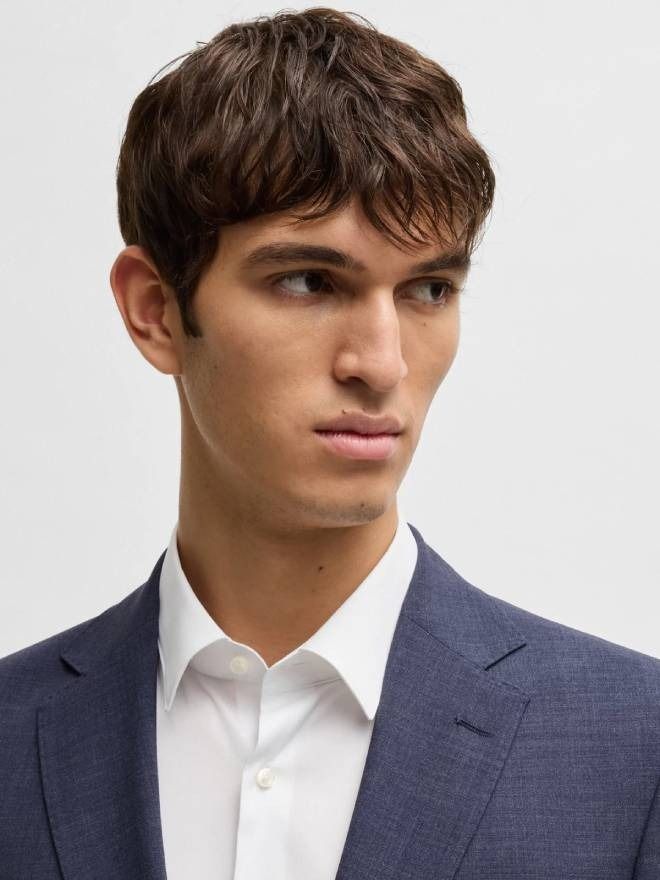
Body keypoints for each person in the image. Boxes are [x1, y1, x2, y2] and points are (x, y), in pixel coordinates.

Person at [0, 6, 658, 878]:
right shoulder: (13, 736)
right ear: (155, 311)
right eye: (309, 281)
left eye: (429, 289)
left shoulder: (633, 748)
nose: (382, 365)